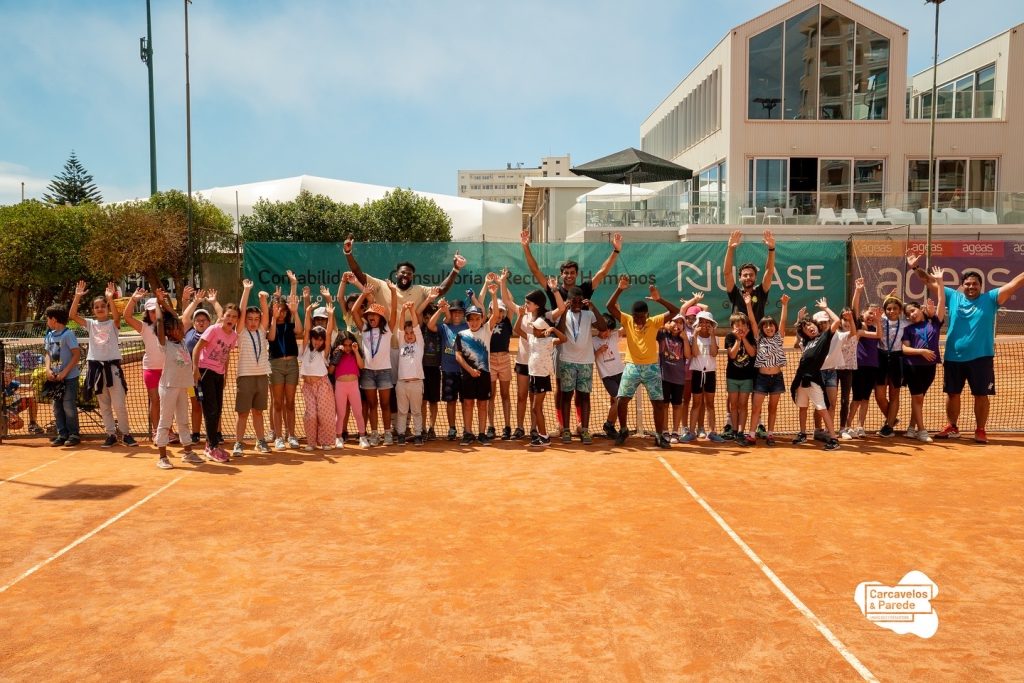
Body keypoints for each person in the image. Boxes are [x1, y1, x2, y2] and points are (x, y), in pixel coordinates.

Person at [908, 253, 1024, 443]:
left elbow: (1015, 283)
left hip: (981, 358)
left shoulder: (991, 298)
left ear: (981, 286)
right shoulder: (953, 296)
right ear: (962, 285)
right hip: (953, 357)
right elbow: (928, 280)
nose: (971, 287)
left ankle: (980, 430)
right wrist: (915, 268)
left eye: (975, 284)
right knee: (952, 394)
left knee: (981, 395)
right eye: (967, 284)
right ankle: (952, 427)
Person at [521, 230, 623, 433]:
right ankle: (561, 424)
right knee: (562, 387)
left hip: (583, 347)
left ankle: (579, 424)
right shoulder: (554, 290)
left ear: (576, 274)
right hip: (560, 346)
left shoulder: (584, 289)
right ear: (562, 275)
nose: (569, 276)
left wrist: (616, 251)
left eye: (572, 273)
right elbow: (535, 271)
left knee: (581, 390)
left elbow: (602, 273)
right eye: (566, 273)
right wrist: (525, 246)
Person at [606, 274, 680, 448]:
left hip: (651, 367)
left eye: (641, 316)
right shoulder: (627, 320)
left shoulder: (654, 322)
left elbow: (675, 311)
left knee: (658, 402)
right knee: (621, 400)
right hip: (632, 366)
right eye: (636, 316)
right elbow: (609, 306)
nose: (639, 320)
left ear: (647, 314)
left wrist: (659, 299)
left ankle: (659, 435)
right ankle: (623, 430)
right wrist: (619, 289)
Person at [69, 280, 138, 447]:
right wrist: (77, 297)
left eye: (103, 306)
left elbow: (117, 317)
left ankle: (126, 434)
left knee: (119, 404)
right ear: (93, 310)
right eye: (96, 307)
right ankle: (111, 434)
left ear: (107, 308)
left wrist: (110, 298)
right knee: (104, 405)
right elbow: (72, 316)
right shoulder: (91, 324)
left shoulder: (113, 324)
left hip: (112, 368)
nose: (100, 309)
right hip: (97, 370)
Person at [153, 292, 202, 469]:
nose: (182, 330)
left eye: (181, 327)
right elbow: (160, 321)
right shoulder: (165, 344)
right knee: (165, 421)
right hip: (169, 387)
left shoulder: (181, 342)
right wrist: (157, 304)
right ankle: (162, 457)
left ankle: (188, 452)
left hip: (183, 386)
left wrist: (165, 303)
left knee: (183, 420)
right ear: (168, 332)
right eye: (177, 329)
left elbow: (175, 317)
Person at [554, 286, 609, 445]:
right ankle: (566, 429)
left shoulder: (588, 314)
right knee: (566, 395)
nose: (577, 304)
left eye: (580, 301)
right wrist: (564, 311)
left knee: (584, 396)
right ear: (569, 301)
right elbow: (560, 331)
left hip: (585, 361)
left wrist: (593, 307)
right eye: (574, 301)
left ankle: (584, 429)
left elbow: (603, 327)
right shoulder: (563, 314)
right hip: (567, 360)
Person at [790, 299, 844, 451]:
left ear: (816, 325)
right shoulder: (807, 342)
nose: (809, 328)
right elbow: (798, 334)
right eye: (806, 328)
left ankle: (833, 439)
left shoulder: (824, 337)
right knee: (802, 407)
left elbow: (837, 321)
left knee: (822, 408)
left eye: (810, 325)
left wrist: (826, 308)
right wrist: (799, 320)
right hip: (801, 380)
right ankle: (802, 433)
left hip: (814, 380)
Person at [455, 282, 503, 445]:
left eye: (477, 319)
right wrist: (469, 370)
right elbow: (458, 356)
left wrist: (494, 295)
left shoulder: (486, 330)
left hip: (484, 374)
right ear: (467, 320)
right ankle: (468, 433)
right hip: (467, 375)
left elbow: (495, 315)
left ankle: (482, 434)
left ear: (482, 319)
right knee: (468, 404)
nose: (474, 322)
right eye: (471, 319)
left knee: (483, 404)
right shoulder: (461, 334)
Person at [351, 281, 398, 446]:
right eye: (369, 315)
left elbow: (394, 311)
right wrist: (364, 294)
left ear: (380, 318)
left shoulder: (388, 330)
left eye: (375, 314)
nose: (371, 317)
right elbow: (353, 311)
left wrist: (393, 292)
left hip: (384, 372)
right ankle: (374, 434)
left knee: (385, 404)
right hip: (368, 372)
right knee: (372, 405)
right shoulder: (364, 329)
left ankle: (388, 434)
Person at [192, 302, 240, 462]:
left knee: (217, 410)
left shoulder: (234, 336)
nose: (231, 319)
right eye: (228, 316)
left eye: (234, 317)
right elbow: (197, 349)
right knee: (210, 410)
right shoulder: (213, 329)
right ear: (222, 316)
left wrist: (225, 375)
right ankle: (212, 447)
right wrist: (195, 370)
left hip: (219, 374)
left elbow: (226, 356)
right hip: (206, 371)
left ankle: (210, 444)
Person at [901, 278, 945, 443]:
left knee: (918, 399)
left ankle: (911, 428)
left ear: (920, 309)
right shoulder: (908, 329)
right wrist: (921, 351)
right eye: (908, 314)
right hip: (913, 367)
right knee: (918, 398)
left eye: (913, 310)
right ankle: (921, 431)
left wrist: (940, 283)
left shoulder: (934, 323)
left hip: (930, 367)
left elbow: (941, 301)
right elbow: (904, 349)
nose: (911, 315)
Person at [744, 291, 790, 446]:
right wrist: (748, 305)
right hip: (762, 379)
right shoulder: (759, 338)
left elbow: (783, 321)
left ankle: (770, 434)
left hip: (777, 379)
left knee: (772, 408)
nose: (769, 327)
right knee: (756, 408)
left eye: (771, 325)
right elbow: (752, 321)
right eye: (765, 325)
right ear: (762, 328)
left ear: (775, 327)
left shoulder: (779, 337)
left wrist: (784, 305)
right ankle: (751, 435)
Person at [232, 280, 271, 457]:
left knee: (258, 412)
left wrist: (263, 299)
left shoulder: (262, 330)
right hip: (245, 376)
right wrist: (247, 290)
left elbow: (266, 315)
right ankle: (238, 443)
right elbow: (241, 311)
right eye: (250, 319)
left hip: (262, 376)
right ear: (244, 320)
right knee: (243, 413)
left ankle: (260, 441)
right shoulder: (240, 332)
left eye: (256, 319)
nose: (253, 322)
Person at [122, 288, 166, 441]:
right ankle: (156, 431)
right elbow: (127, 317)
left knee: (167, 402)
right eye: (152, 311)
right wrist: (133, 299)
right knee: (155, 400)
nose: (154, 313)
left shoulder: (167, 325)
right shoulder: (144, 327)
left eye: (157, 310)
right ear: (147, 313)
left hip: (168, 370)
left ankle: (167, 430)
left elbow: (183, 318)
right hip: (151, 369)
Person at [268, 271, 302, 450]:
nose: (280, 313)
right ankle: (279, 437)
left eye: (283, 310)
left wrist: (294, 285)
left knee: (290, 402)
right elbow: (272, 338)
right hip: (276, 365)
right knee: (277, 402)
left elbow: (300, 331)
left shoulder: (290, 325)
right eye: (277, 310)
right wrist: (273, 318)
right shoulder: (270, 326)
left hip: (292, 366)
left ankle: (292, 435)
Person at [182, 286, 220, 444]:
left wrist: (214, 302)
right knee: (196, 404)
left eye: (204, 320)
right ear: (194, 322)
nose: (200, 322)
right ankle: (196, 434)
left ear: (209, 322)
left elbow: (222, 317)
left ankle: (217, 433)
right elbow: (185, 316)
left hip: (210, 374)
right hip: (191, 376)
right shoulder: (188, 332)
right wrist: (195, 302)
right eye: (198, 320)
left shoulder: (214, 332)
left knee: (213, 405)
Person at [428, 298, 468, 440]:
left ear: (464, 314)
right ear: (450, 313)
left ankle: (467, 428)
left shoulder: (468, 326)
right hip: (448, 370)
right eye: (454, 312)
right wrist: (441, 310)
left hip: (464, 370)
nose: (457, 314)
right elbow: (430, 325)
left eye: (460, 312)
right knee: (451, 401)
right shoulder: (444, 327)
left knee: (465, 401)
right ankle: (452, 428)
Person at [299, 300, 337, 451]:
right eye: (315, 338)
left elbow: (328, 333)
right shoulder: (305, 349)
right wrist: (308, 312)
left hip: (322, 385)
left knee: (324, 414)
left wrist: (331, 315)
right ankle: (311, 443)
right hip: (308, 386)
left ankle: (326, 442)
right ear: (311, 338)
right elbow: (307, 330)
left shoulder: (324, 352)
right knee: (311, 415)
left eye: (321, 339)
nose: (318, 341)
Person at [682, 311, 723, 444]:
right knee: (696, 404)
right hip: (697, 373)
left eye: (707, 322)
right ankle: (691, 432)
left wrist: (712, 335)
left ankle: (712, 432)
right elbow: (694, 353)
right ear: (697, 323)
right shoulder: (693, 337)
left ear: (711, 324)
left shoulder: (715, 338)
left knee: (710, 404)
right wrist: (694, 336)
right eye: (701, 322)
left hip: (710, 374)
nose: (704, 324)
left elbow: (714, 353)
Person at [526, 317, 567, 448]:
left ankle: (544, 437)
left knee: (536, 408)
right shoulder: (532, 338)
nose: (533, 330)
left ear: (543, 331)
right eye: (533, 328)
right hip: (533, 376)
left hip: (542, 378)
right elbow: (516, 329)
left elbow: (564, 339)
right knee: (535, 408)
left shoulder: (549, 340)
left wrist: (553, 329)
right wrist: (520, 316)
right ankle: (542, 435)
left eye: (536, 329)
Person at [44, 304, 81, 447]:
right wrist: (48, 369)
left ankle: (73, 434)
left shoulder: (68, 334)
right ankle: (62, 434)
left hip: (70, 378)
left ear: (54, 319)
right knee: (57, 406)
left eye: (48, 318)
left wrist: (64, 373)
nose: (47, 321)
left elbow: (76, 354)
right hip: (55, 379)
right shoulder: (49, 335)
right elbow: (47, 354)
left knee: (68, 405)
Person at [485, 269, 516, 441]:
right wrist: (491, 291)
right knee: (491, 395)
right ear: (491, 311)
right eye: (497, 310)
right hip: (489, 360)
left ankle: (507, 426)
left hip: (504, 359)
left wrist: (502, 282)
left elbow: (510, 300)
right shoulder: (487, 323)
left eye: (503, 311)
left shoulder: (508, 322)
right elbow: (484, 303)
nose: (501, 313)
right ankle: (491, 426)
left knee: (505, 394)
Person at [723, 229, 777, 321]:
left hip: (757, 330)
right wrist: (730, 248)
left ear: (755, 278)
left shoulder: (761, 292)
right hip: (739, 330)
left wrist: (771, 249)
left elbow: (769, 271)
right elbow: (727, 273)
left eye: (751, 275)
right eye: (745, 275)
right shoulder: (735, 293)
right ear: (739, 278)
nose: (748, 277)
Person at [875, 293, 908, 438]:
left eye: (895, 308)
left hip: (897, 359)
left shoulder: (906, 323)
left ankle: (888, 426)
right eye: (889, 308)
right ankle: (892, 419)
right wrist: (886, 299)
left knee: (894, 395)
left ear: (900, 310)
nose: (892, 311)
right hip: (881, 357)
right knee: (879, 396)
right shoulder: (880, 320)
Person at [329, 331, 369, 448]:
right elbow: (330, 371)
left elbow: (361, 366)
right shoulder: (336, 353)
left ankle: (362, 437)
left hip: (354, 386)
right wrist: (338, 354)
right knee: (340, 413)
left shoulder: (355, 353)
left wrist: (355, 351)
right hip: (340, 386)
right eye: (345, 345)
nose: (347, 348)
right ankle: (338, 437)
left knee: (358, 412)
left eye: (350, 345)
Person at [394, 301, 426, 446]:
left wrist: (412, 310)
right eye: (407, 333)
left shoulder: (420, 344)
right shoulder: (402, 343)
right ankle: (401, 434)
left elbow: (416, 327)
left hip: (416, 383)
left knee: (416, 411)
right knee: (402, 411)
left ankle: (418, 434)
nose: (409, 335)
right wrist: (402, 311)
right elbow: (400, 328)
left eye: (411, 332)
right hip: (401, 383)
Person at [723, 312, 757, 445]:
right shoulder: (729, 337)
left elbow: (752, 353)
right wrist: (738, 339)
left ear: (747, 326)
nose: (741, 327)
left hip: (747, 378)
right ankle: (734, 430)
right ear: (732, 327)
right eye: (737, 325)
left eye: (743, 324)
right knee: (734, 405)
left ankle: (741, 432)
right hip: (732, 377)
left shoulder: (751, 337)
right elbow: (732, 355)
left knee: (743, 405)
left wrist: (744, 339)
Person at [593, 314, 625, 439]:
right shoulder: (593, 341)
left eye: (610, 330)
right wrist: (599, 351)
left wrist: (618, 312)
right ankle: (608, 425)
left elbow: (626, 326)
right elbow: (590, 357)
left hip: (620, 372)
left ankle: (613, 427)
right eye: (606, 330)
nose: (608, 333)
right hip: (607, 376)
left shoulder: (613, 336)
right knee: (618, 400)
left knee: (619, 401)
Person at [2, 368, 42, 436]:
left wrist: (34, 384)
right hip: (2, 410)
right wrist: (8, 414)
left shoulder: (13, 384)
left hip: (10, 408)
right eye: (7, 372)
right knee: (16, 422)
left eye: (11, 375)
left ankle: (33, 424)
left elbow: (28, 387)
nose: (10, 375)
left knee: (31, 399)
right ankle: (2, 428)